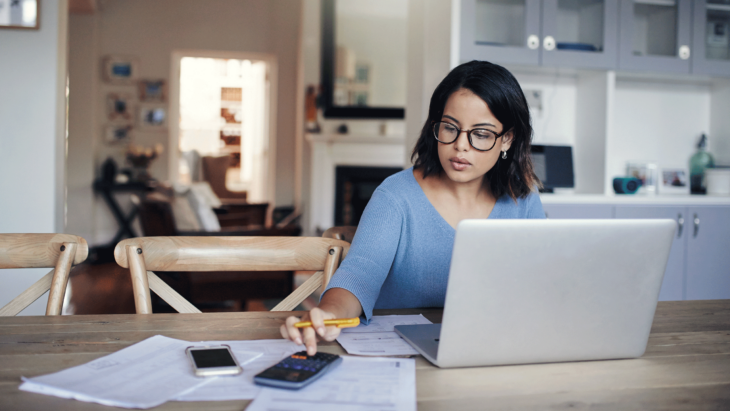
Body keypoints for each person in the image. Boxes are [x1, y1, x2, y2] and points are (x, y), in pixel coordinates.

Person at [281, 60, 545, 355]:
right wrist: (328, 314)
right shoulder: (395, 197)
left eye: (481, 134)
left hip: (490, 350)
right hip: (399, 355)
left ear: (507, 139)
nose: (461, 145)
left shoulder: (523, 198)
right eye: (450, 128)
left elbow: (541, 284)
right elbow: (359, 275)